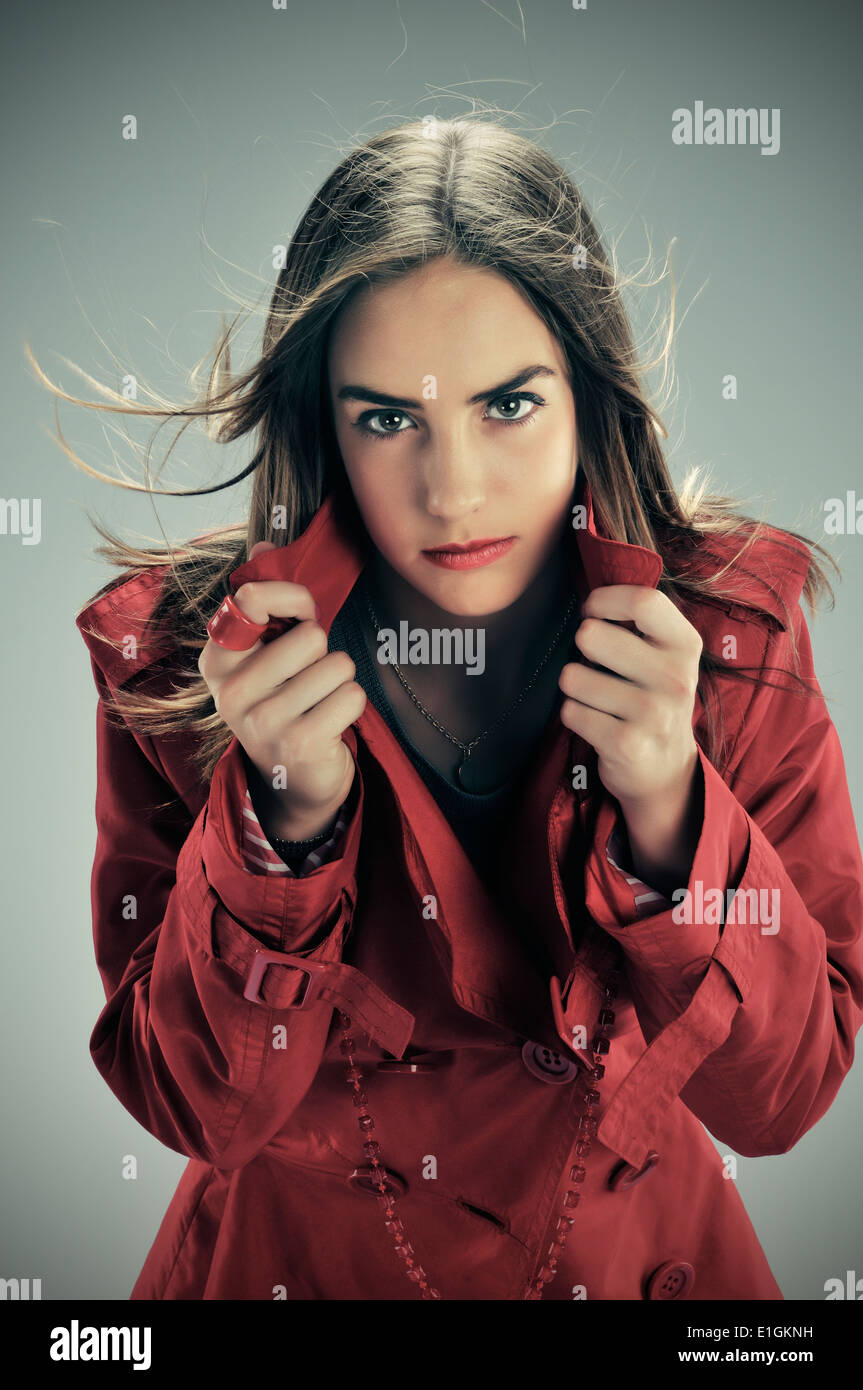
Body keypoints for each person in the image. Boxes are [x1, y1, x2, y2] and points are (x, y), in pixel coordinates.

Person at [49, 117, 863, 1300]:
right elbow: (194, 1108)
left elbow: (780, 1101)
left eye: (508, 406)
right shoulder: (187, 664)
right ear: (320, 422)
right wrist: (282, 822)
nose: (454, 487)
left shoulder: (731, 636)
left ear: (589, 395)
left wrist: (672, 816)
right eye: (387, 418)